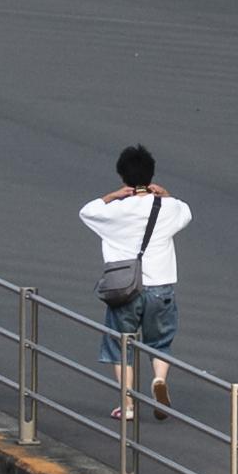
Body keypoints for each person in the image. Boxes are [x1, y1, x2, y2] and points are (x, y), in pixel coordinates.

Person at [80, 148, 188, 421]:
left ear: (122, 176)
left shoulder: (114, 210)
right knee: (160, 342)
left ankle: (127, 404)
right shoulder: (168, 208)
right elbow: (186, 212)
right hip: (161, 286)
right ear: (151, 176)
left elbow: (87, 212)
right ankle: (159, 381)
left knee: (120, 344)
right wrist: (166, 195)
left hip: (125, 287)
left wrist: (112, 196)